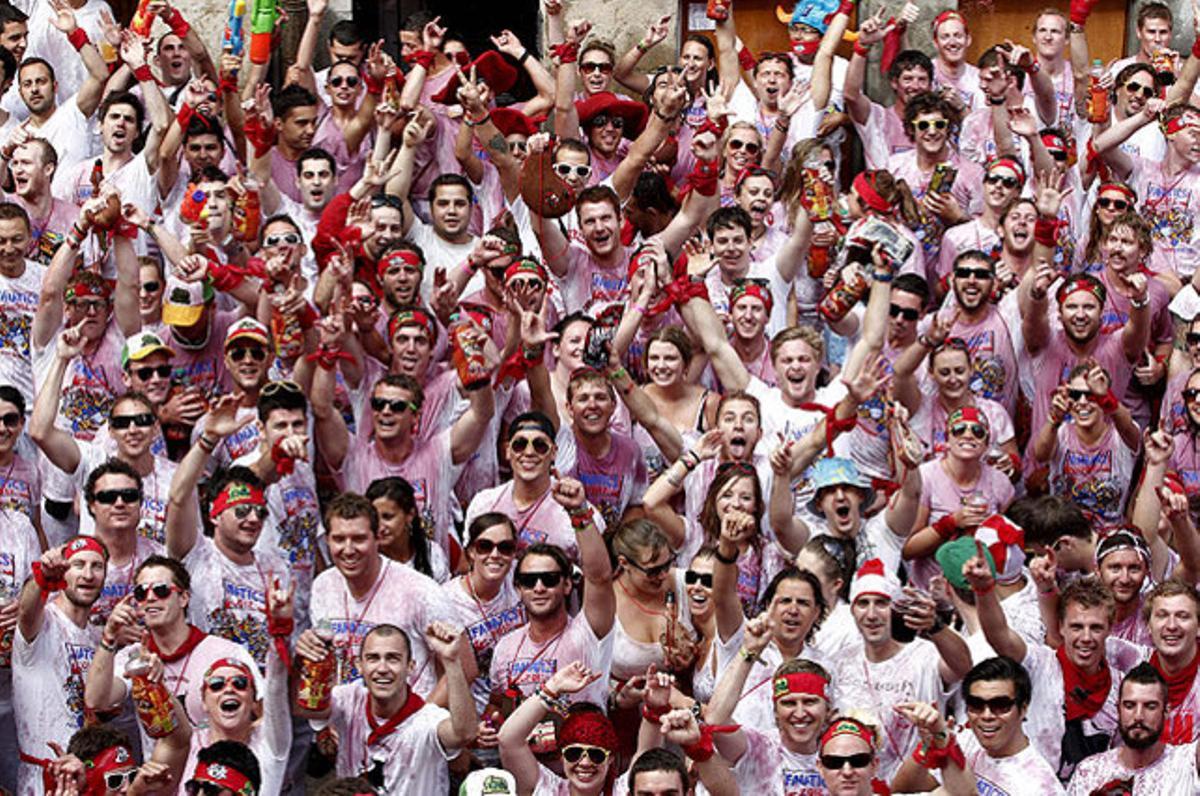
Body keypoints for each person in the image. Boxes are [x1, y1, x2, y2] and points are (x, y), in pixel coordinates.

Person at [294, 622, 478, 794]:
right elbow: (301, 708)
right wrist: (301, 661)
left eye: (393, 659)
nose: (382, 668)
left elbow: (464, 734)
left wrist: (451, 661)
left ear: (410, 667)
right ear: (359, 666)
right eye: (373, 658)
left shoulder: (426, 720)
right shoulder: (349, 700)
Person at [299, 492, 452, 698]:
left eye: (359, 539)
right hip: (347, 714)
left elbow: (463, 666)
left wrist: (423, 715)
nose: (348, 549)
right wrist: (308, 648)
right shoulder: (323, 586)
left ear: (377, 537)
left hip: (405, 712)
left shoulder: (419, 590)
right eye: (339, 539)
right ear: (327, 540)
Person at [488, 476, 615, 711]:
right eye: (529, 581)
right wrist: (489, 722)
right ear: (518, 588)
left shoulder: (587, 633)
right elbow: (498, 705)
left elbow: (600, 578)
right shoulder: (505, 648)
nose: (539, 587)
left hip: (578, 735)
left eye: (549, 579)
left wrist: (579, 512)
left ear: (567, 585)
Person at [12, 537, 107, 793]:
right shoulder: (42, 622)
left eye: (97, 566)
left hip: (87, 774)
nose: (88, 575)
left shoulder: (99, 637)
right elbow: (25, 611)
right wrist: (42, 577)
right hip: (41, 779)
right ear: (63, 571)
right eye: (78, 565)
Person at [893, 655, 1064, 794]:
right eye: (976, 705)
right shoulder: (965, 741)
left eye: (1000, 705)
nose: (987, 715)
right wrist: (928, 745)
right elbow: (905, 788)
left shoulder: (1043, 786)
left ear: (1023, 709)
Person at [1067, 663, 1200, 795]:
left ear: (1166, 711)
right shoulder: (1090, 773)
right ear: (1118, 709)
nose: (1138, 716)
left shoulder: (1186, 763)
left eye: (1150, 706)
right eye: (1130, 706)